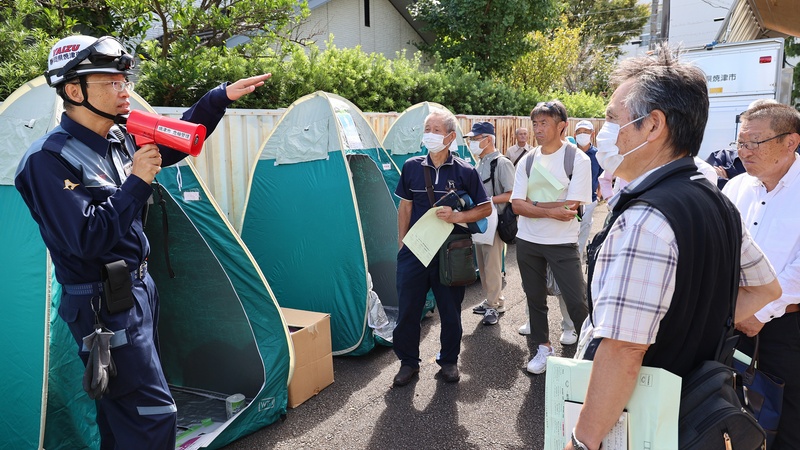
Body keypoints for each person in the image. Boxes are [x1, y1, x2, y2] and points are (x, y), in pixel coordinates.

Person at [14, 35, 270, 449]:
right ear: (75, 90)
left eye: (123, 80)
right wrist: (136, 181)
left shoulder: (118, 138)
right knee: (152, 414)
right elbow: (86, 239)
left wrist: (217, 98)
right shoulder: (48, 160)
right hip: (102, 303)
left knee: (123, 412)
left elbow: (174, 140)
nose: (124, 89)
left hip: (137, 292)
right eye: (111, 82)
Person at [566, 45, 781, 450]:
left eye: (612, 118)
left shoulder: (646, 219)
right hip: (696, 406)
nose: (602, 131)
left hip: (641, 418)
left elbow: (625, 350)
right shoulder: (716, 199)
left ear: (653, 125)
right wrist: (700, 326)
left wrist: (582, 441)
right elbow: (765, 288)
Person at [392, 108, 491, 386]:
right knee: (408, 309)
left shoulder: (465, 171)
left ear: (449, 137)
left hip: (451, 251)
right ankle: (408, 363)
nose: (430, 135)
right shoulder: (412, 166)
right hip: (416, 249)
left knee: (450, 312)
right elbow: (405, 206)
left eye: (436, 130)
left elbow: (485, 209)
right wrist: (402, 242)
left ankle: (448, 361)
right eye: (427, 129)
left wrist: (458, 216)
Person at [722, 102, 800, 450]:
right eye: (741, 142)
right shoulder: (736, 187)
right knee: (730, 405)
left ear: (790, 142)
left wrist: (761, 311)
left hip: (785, 329)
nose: (744, 151)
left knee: (787, 419)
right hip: (732, 319)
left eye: (755, 142)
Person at [511, 100, 592, 375]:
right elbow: (516, 205)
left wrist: (534, 205)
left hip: (562, 243)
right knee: (534, 298)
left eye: (544, 123)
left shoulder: (577, 159)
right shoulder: (528, 159)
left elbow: (571, 210)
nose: (537, 129)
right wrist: (552, 208)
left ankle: (588, 351)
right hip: (528, 240)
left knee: (577, 299)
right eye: (535, 123)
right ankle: (542, 348)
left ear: (562, 126)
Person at [466, 122, 515, 326]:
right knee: (484, 266)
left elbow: (512, 193)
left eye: (475, 139)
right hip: (480, 221)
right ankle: (493, 301)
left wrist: (488, 201)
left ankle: (493, 306)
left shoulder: (501, 163)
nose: (472, 143)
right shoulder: (480, 163)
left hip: (495, 223)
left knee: (492, 266)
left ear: (488, 139)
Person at [574, 120, 601, 263]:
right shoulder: (570, 152)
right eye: (579, 132)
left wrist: (599, 195)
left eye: (586, 132)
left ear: (592, 134)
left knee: (583, 233)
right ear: (574, 134)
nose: (582, 135)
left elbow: (602, 176)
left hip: (589, 200)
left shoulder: (598, 155)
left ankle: (576, 266)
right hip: (570, 201)